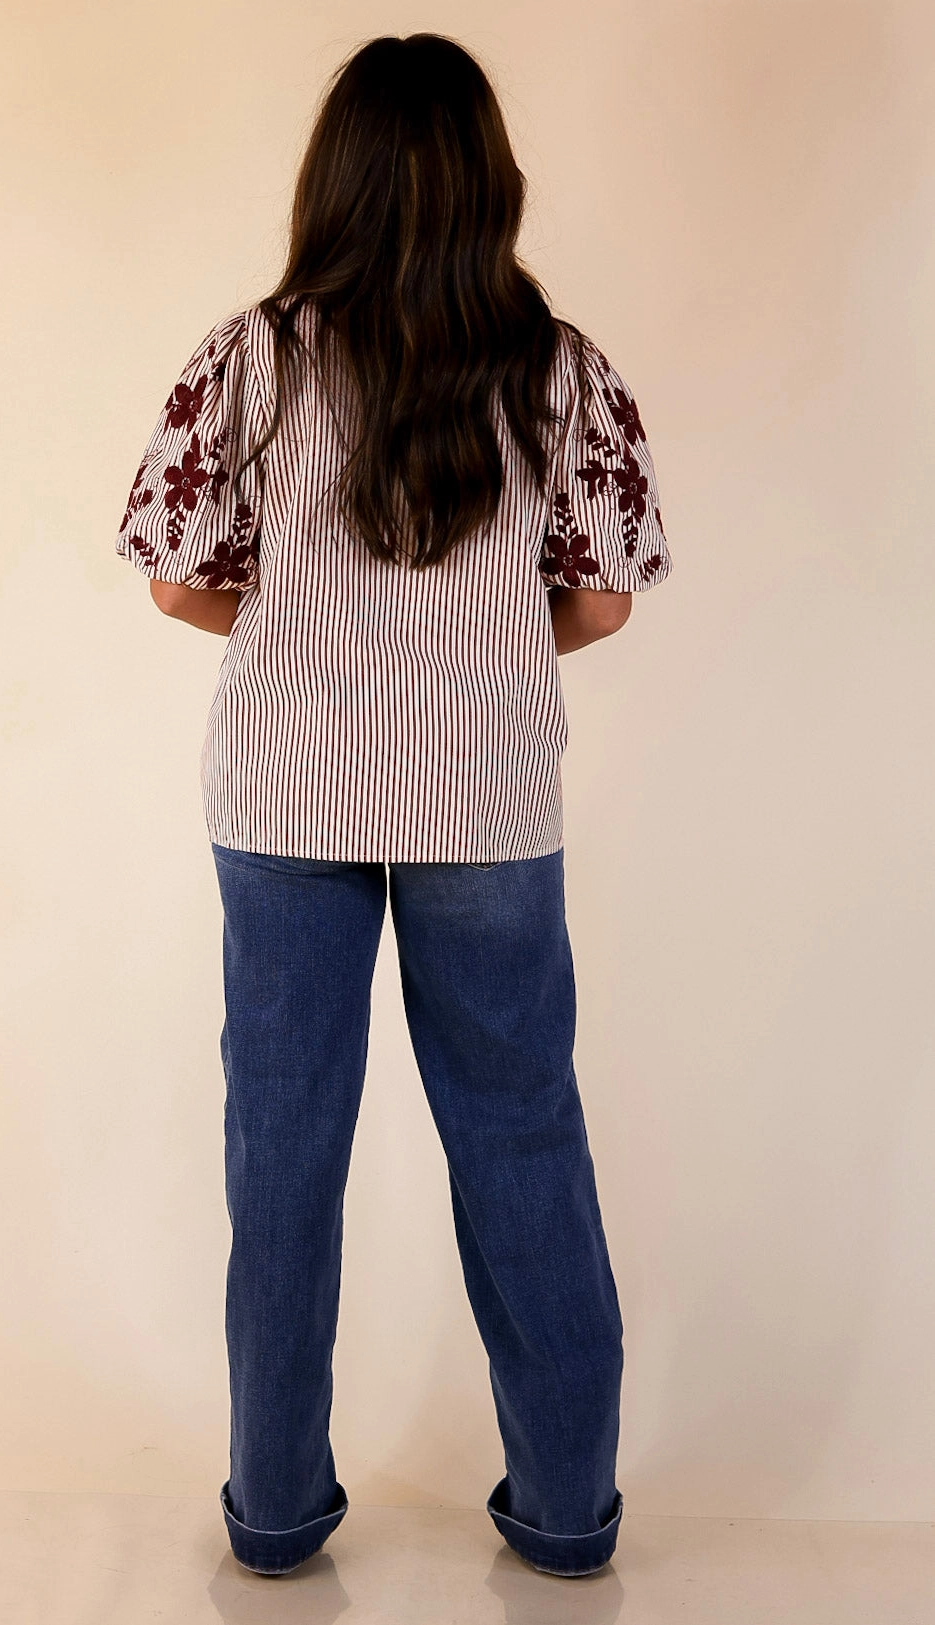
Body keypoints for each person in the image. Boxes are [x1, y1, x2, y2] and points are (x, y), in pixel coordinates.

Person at [114, 31, 673, 1580]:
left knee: (280, 1149)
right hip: (490, 798)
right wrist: (474, 651)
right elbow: (607, 606)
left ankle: (276, 1518)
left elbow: (175, 580)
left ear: (334, 180)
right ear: (492, 181)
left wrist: (313, 636)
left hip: (284, 791)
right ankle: (566, 1519)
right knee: (523, 1137)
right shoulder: (555, 364)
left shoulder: (253, 355)